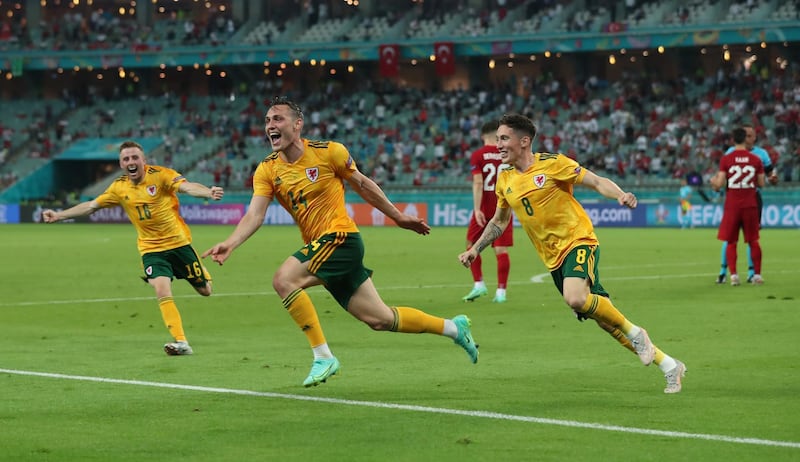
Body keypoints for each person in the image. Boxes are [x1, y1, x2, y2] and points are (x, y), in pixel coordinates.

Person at [202, 97, 478, 387]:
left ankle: (323, 356)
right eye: (268, 121)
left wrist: (397, 216)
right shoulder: (267, 169)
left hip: (340, 238)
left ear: (298, 125)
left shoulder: (329, 152)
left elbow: (363, 184)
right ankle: (453, 328)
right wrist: (231, 242)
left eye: (278, 119)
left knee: (284, 280)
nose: (270, 125)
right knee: (380, 319)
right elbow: (255, 214)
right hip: (324, 248)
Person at [458, 113, 686, 394]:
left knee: (576, 298)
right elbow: (499, 221)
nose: (498, 144)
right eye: (498, 139)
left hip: (578, 240)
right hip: (552, 259)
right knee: (605, 320)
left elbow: (596, 181)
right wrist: (475, 249)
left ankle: (638, 334)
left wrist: (619, 194)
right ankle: (669, 365)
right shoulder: (505, 179)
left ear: (524, 141)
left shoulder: (553, 164)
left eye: (504, 138)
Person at [42, 140, 224, 355]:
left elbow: (187, 186)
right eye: (126, 158)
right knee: (161, 288)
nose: (131, 161)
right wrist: (59, 215)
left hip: (178, 244)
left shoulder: (161, 175)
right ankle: (182, 342)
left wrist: (207, 192)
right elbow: (91, 206)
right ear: (121, 164)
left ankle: (200, 273)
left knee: (205, 290)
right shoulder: (119, 187)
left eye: (135, 157)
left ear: (143, 160)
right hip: (150, 250)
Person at [716, 125, 777, 284]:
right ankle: (750, 273)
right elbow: (762, 182)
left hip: (734, 200)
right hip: (750, 199)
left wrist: (714, 184)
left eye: (752, 135)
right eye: (748, 135)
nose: (750, 138)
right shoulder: (756, 159)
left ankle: (735, 274)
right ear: (744, 138)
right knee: (752, 239)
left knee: (730, 239)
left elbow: (771, 173)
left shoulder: (729, 156)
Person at [462, 119, 513, 303]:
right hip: (504, 207)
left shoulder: (478, 155)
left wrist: (476, 209)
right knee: (501, 249)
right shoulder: (508, 155)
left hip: (483, 208)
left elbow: (478, 182)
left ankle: (479, 284)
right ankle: (501, 292)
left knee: (471, 243)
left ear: (483, 135)